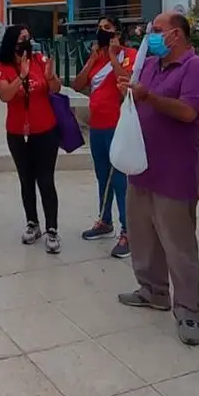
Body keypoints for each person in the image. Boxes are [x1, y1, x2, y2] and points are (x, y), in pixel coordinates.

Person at [116, 11, 199, 346]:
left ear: (177, 34)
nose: (149, 36)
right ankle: (153, 291)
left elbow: (188, 113)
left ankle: (188, 310)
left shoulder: (195, 68)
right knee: (144, 237)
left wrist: (148, 97)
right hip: (141, 167)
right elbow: (137, 100)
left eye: (156, 31)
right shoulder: (149, 65)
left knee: (179, 245)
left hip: (174, 173)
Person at [0, 25, 64, 254]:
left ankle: (52, 229)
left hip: (45, 130)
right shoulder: (4, 67)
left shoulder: (39, 59)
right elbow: (5, 95)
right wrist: (21, 77)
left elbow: (55, 88)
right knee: (26, 179)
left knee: (46, 180)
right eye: (22, 38)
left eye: (28, 37)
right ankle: (32, 222)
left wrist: (51, 77)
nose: (27, 42)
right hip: (17, 132)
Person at [73, 16, 137, 258]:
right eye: (99, 29)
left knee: (119, 178)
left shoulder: (129, 53)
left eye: (107, 29)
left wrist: (113, 55)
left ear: (118, 32)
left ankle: (128, 231)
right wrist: (91, 60)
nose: (102, 32)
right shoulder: (96, 57)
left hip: (118, 124)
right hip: (97, 126)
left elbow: (126, 81)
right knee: (103, 176)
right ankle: (105, 220)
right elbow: (78, 84)